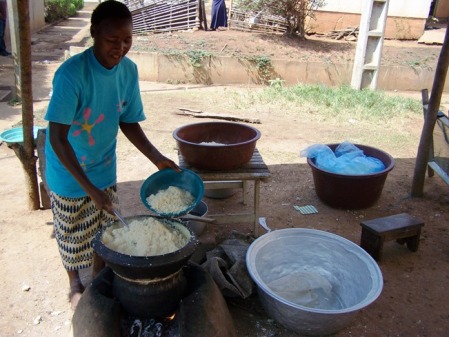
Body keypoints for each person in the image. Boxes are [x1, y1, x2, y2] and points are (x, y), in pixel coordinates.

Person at [44, 0, 179, 310]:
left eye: (127, 40)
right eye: (112, 40)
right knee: (71, 231)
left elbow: (128, 120)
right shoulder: (71, 75)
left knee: (104, 229)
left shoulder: (128, 72)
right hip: (68, 172)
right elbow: (57, 138)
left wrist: (157, 158)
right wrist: (89, 189)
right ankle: (74, 281)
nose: (120, 48)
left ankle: (98, 276)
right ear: (94, 34)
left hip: (103, 167)